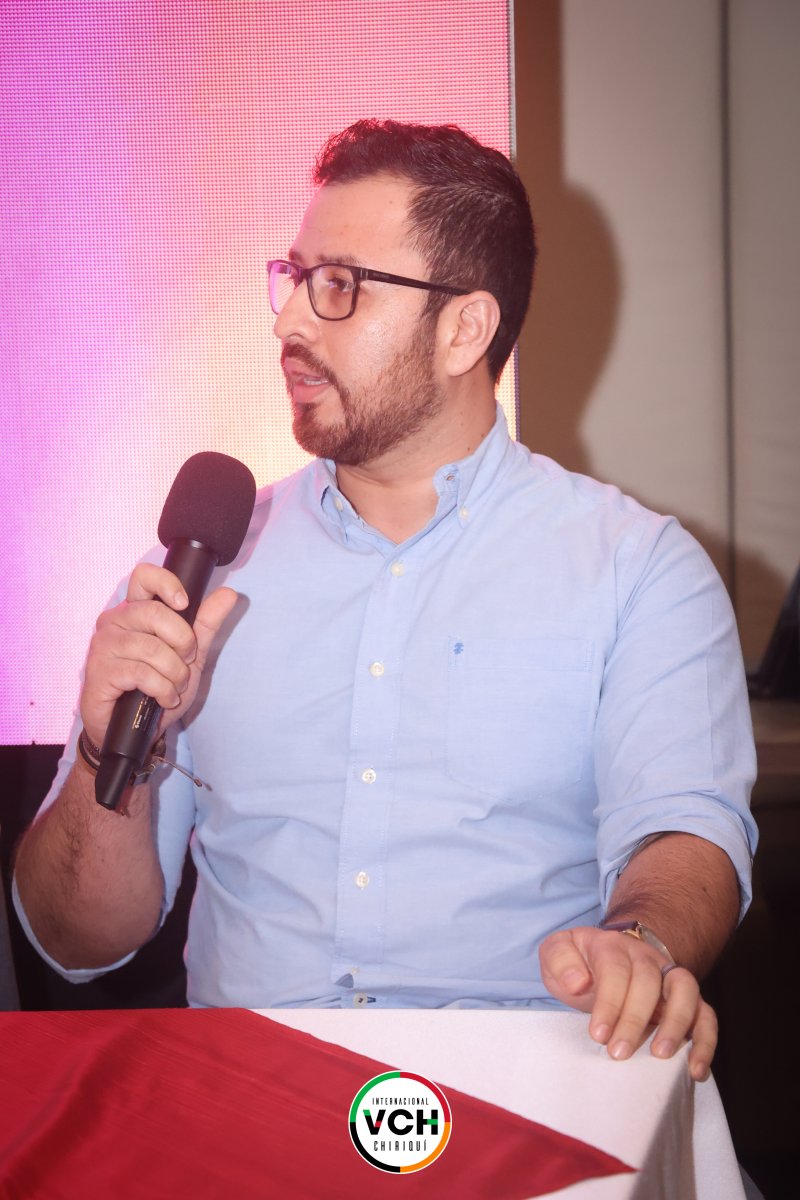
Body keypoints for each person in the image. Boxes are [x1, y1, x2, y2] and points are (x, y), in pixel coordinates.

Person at [14, 120, 757, 1083]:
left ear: (465, 330)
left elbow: (684, 831)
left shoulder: (637, 568)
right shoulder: (197, 577)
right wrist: (104, 753)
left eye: (339, 285)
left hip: (522, 1096)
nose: (289, 321)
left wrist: (639, 946)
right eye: (294, 277)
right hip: (250, 1099)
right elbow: (76, 943)